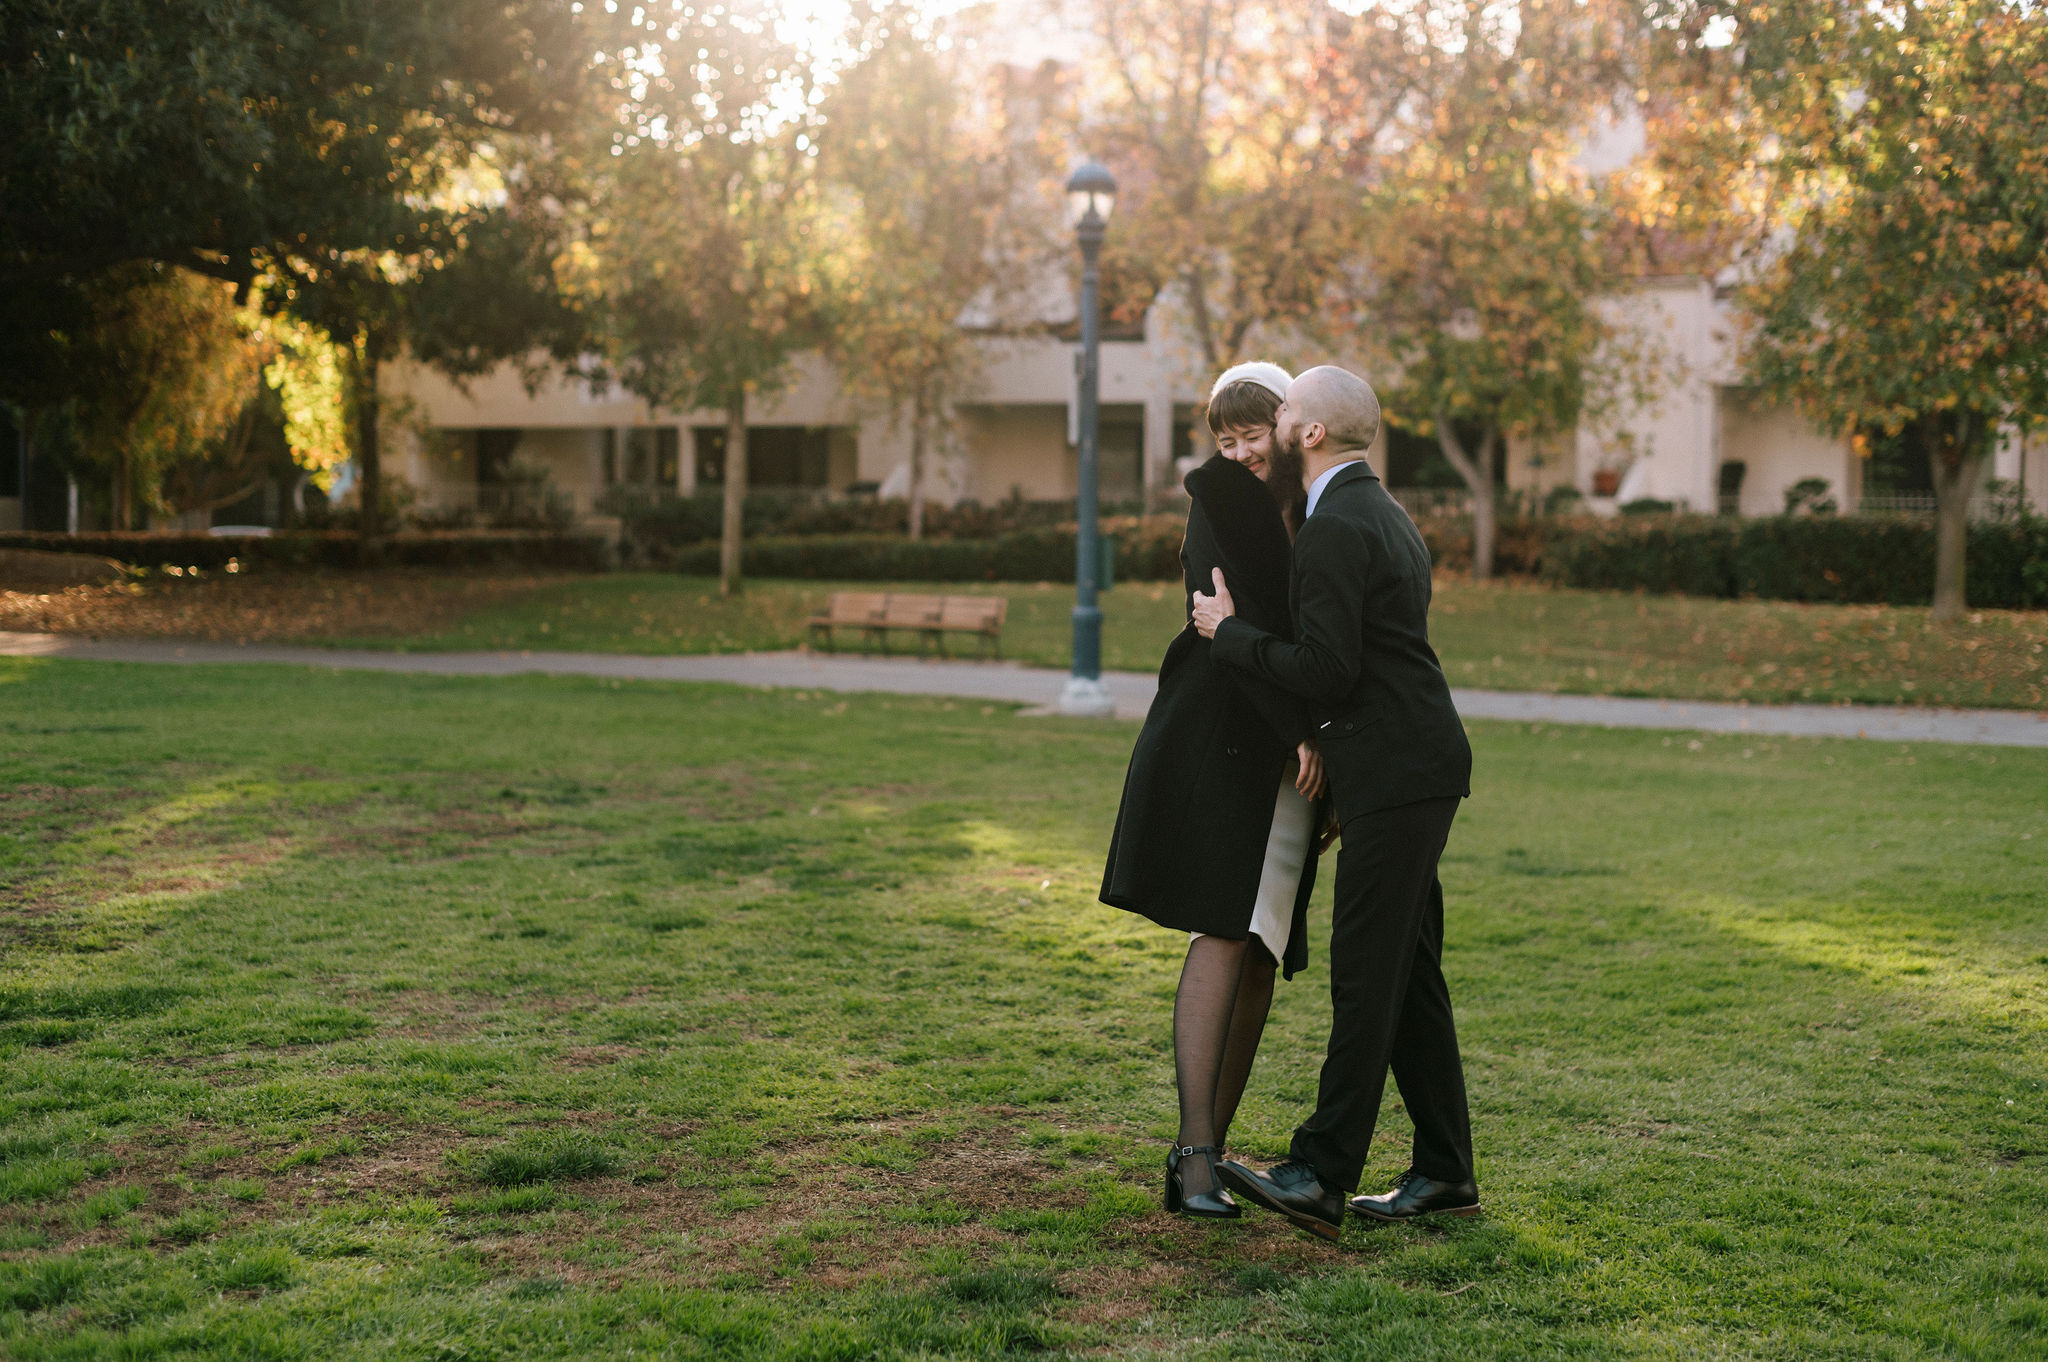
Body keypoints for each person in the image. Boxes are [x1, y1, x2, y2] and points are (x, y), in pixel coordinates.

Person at [1190, 365, 1478, 1241]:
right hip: (1413, 768)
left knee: (1366, 975)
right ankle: (1444, 1172)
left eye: (1285, 414)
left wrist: (1230, 633)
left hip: (1396, 776)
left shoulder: (1331, 527)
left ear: (1309, 434)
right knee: (1409, 972)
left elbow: (1328, 670)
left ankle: (1319, 1172)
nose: (1272, 423)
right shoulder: (1381, 512)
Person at [1099, 361, 1329, 1220]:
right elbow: (1226, 633)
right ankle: (1194, 1154)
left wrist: (1320, 738)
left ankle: (1214, 1146)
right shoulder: (1217, 501)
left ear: (1289, 425)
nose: (1239, 454)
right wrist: (1304, 731)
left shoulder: (1314, 505)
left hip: (1293, 753)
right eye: (1225, 440)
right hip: (1231, 738)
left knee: (1263, 945)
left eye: (1251, 438)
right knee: (1226, 928)